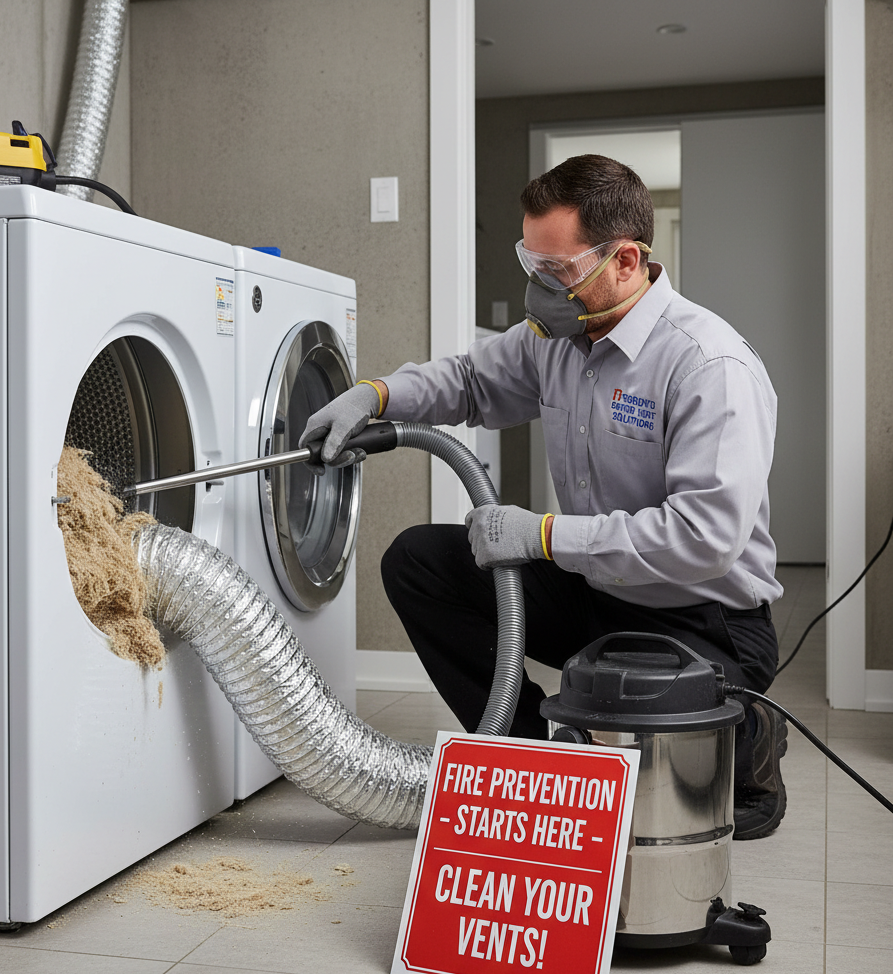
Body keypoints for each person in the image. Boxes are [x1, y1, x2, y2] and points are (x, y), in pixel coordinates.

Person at [301, 154, 787, 840]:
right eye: (533, 265)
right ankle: (536, 762)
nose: (539, 291)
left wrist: (546, 536)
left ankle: (753, 734)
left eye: (557, 273)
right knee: (420, 561)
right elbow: (468, 381)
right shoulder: (557, 340)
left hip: (703, 617)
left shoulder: (709, 366)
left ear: (625, 260)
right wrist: (376, 393)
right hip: (595, 591)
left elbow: (703, 537)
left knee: (672, 793)